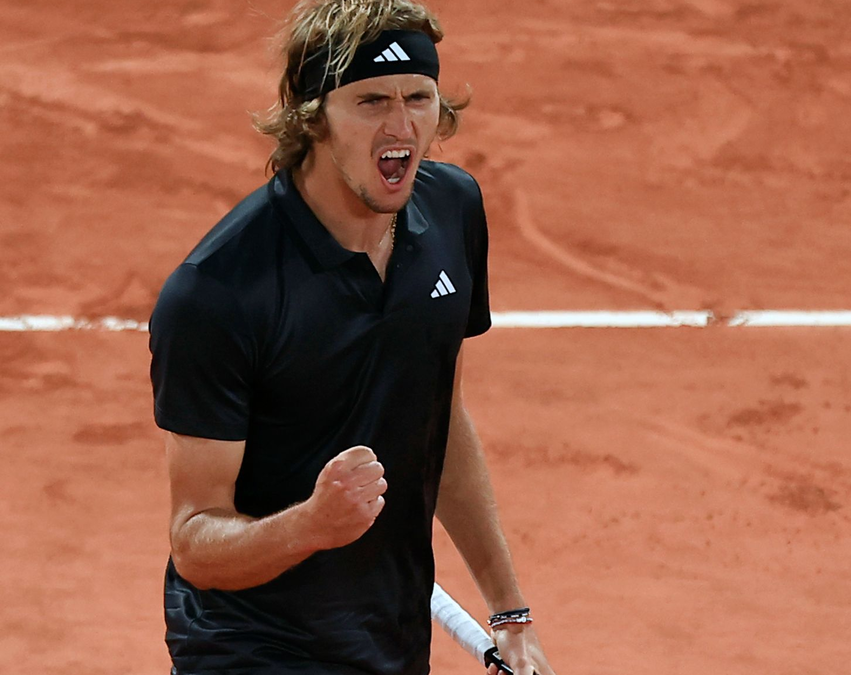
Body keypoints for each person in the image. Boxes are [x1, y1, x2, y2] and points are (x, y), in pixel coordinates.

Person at [148, 1, 555, 673]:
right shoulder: (218, 292)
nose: (402, 127)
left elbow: (441, 423)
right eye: (370, 101)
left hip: (386, 635)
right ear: (313, 116)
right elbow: (195, 540)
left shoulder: (453, 211)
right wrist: (310, 524)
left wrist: (510, 613)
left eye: (418, 98)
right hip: (251, 644)